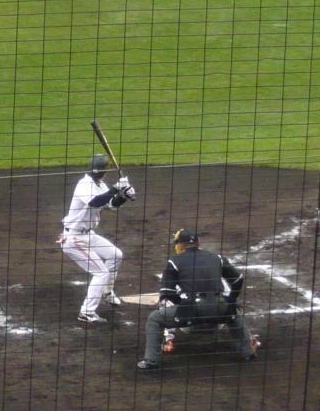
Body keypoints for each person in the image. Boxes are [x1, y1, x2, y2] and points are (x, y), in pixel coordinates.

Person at [137, 228, 257, 371]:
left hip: (192, 312)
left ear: (180, 245)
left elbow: (167, 293)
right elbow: (238, 280)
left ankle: (152, 361)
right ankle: (248, 352)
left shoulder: (174, 261)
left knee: (155, 319)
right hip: (219, 309)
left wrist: (183, 306)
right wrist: (231, 301)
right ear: (198, 243)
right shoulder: (217, 258)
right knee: (235, 312)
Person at [59, 155, 135, 322]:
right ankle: (86, 312)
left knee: (116, 255)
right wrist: (116, 188)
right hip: (74, 238)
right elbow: (95, 202)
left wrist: (124, 196)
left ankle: (107, 292)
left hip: (88, 235)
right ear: (104, 171)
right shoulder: (84, 184)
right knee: (101, 272)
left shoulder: (100, 185)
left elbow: (111, 205)